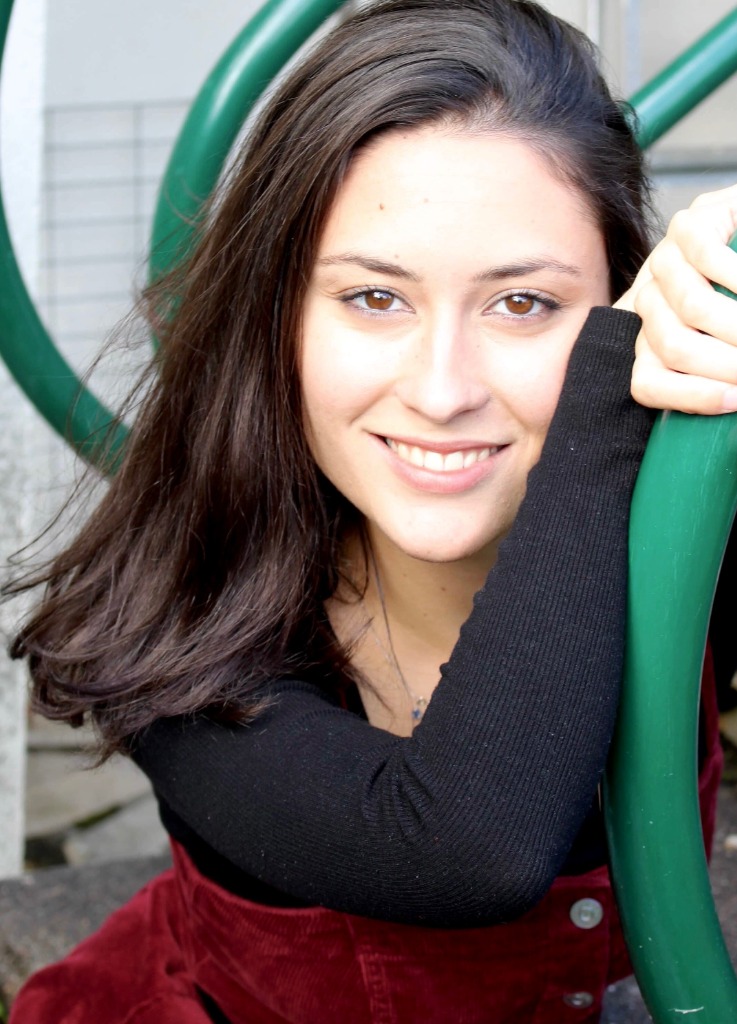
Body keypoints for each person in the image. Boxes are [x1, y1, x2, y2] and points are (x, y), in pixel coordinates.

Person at [6, 1, 737, 1021]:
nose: (441, 390)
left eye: (521, 303)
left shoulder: (672, 530)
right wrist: (607, 386)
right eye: (373, 299)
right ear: (275, 319)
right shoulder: (184, 618)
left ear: (622, 295)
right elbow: (460, 846)